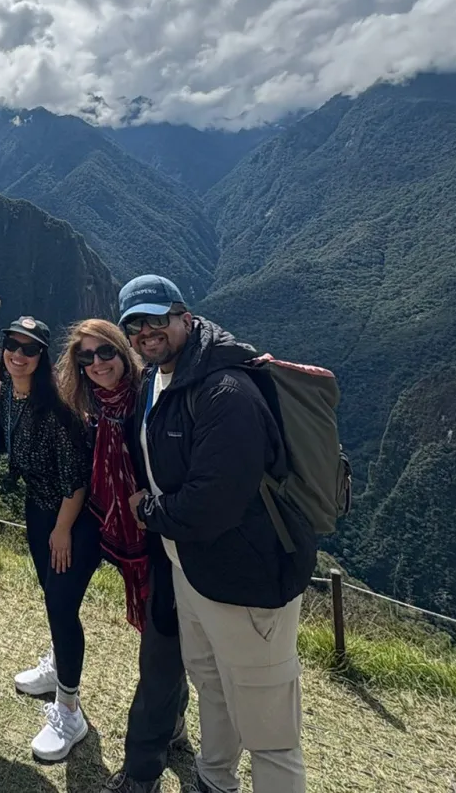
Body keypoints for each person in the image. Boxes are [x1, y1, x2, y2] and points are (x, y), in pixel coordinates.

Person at [120, 275, 316, 793]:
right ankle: (214, 779)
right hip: (192, 571)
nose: (146, 331)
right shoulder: (155, 381)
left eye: (157, 318)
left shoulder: (225, 392)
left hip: (248, 578)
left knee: (271, 734)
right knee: (211, 685)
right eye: (135, 324)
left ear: (185, 317)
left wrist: (148, 511)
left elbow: (212, 505)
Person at [55, 318, 191, 792]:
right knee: (153, 632)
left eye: (105, 353)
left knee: (159, 642)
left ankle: (160, 741)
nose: (96, 364)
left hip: (154, 533)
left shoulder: (150, 397)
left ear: (123, 352)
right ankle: (171, 719)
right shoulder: (89, 404)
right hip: (107, 521)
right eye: (85, 358)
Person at [0, 317, 92, 760]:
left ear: (42, 357)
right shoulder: (10, 396)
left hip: (71, 516)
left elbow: (77, 479)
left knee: (63, 605)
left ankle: (70, 711)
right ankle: (57, 667)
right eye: (11, 344)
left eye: (28, 349)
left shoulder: (55, 409)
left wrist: (63, 529)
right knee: (51, 595)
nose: (18, 354)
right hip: (38, 507)